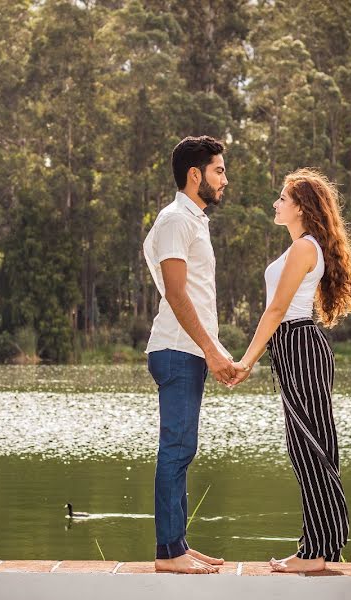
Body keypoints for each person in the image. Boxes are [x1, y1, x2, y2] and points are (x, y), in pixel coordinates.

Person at [230, 168, 351, 572]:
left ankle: (318, 551)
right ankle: (315, 548)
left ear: (301, 207)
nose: (275, 203)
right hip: (292, 346)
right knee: (304, 447)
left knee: (310, 447)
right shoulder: (300, 247)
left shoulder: (305, 248)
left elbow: (276, 310)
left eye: (282, 198)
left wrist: (245, 361)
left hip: (299, 343)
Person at [143, 135, 236, 574]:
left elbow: (194, 294)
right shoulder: (175, 220)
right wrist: (209, 350)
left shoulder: (192, 220)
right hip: (177, 350)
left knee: (183, 449)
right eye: (219, 170)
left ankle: (176, 543)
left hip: (189, 350)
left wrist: (215, 350)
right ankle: (168, 554)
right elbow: (178, 295)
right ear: (194, 174)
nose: (225, 179)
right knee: (176, 448)